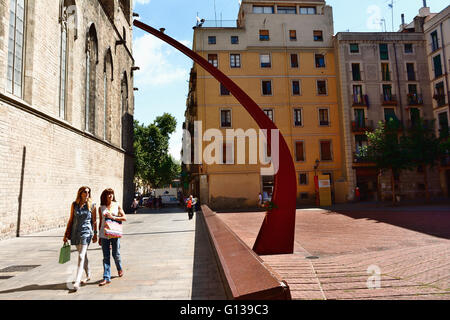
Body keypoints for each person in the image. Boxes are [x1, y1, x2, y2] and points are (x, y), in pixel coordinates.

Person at [63, 186, 97, 291]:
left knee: (81, 256)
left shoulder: (92, 205)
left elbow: (94, 221)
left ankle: (77, 281)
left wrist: (95, 234)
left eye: (88, 192)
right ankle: (88, 275)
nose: (87, 194)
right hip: (75, 232)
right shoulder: (74, 205)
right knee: (83, 255)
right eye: (85, 192)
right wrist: (66, 234)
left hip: (86, 232)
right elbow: (71, 219)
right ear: (80, 193)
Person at [98, 188, 127, 286]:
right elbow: (101, 222)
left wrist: (113, 217)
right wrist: (99, 236)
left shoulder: (117, 205)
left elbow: (124, 218)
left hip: (114, 233)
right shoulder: (101, 207)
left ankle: (119, 268)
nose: (110, 195)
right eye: (108, 194)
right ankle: (106, 277)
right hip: (104, 234)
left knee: (116, 254)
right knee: (106, 256)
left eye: (112, 194)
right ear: (104, 196)